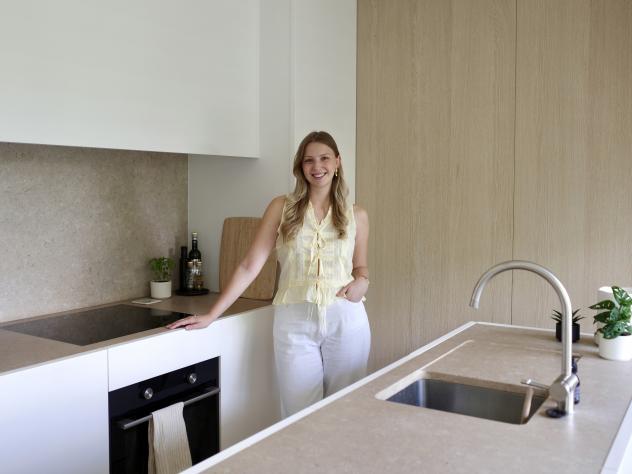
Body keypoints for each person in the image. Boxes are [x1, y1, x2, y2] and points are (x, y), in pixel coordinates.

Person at [167, 131, 371, 417]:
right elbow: (250, 265)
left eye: (324, 158)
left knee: (345, 412)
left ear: (337, 162)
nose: (317, 166)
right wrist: (212, 314)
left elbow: (360, 268)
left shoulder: (357, 215)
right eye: (309, 160)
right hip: (294, 323)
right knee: (299, 415)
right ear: (300, 167)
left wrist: (363, 282)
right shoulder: (281, 208)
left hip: (346, 320)